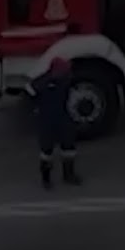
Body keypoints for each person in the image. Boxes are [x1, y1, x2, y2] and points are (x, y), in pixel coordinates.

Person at [29, 57, 82, 189]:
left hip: (55, 119)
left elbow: (30, 91)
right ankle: (50, 178)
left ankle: (62, 176)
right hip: (52, 120)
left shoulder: (43, 82)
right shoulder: (61, 81)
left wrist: (36, 106)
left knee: (66, 148)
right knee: (48, 151)